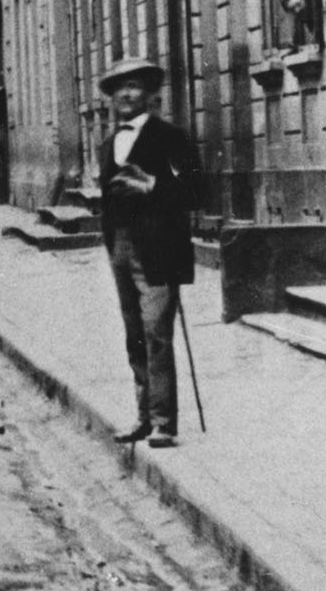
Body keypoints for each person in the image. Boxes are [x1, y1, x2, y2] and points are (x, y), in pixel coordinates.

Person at [93, 55, 200, 450]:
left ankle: (164, 423)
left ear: (150, 93)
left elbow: (196, 191)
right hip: (120, 248)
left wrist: (153, 186)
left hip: (158, 251)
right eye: (119, 88)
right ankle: (143, 417)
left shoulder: (171, 137)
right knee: (134, 335)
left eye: (134, 86)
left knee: (157, 333)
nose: (126, 94)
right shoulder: (108, 145)